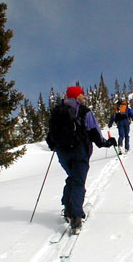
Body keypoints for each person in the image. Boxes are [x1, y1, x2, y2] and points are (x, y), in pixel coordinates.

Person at [46, 86, 116, 233]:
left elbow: (50, 135)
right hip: (79, 150)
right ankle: (76, 217)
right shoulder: (84, 111)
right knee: (78, 181)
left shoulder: (58, 111)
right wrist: (106, 143)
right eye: (82, 94)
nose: (84, 97)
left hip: (62, 152)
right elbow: (95, 133)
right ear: (77, 96)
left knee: (72, 177)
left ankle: (67, 208)